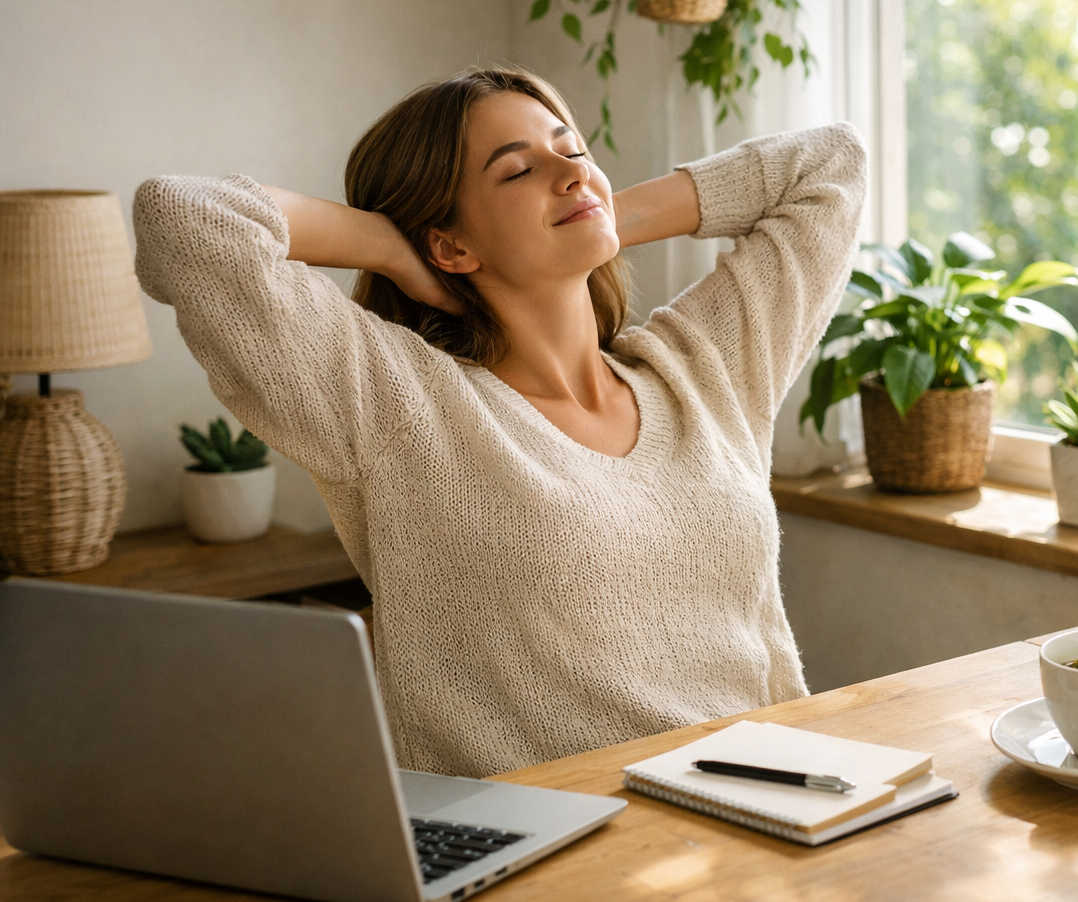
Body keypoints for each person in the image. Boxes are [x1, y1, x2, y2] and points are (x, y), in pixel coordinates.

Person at [134, 66, 867, 778]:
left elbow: (830, 163)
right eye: (517, 171)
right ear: (450, 244)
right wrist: (392, 247)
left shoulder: (704, 372)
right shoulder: (397, 401)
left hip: (768, 804)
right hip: (545, 854)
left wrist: (602, 213)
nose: (570, 171)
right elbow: (183, 218)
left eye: (572, 149)